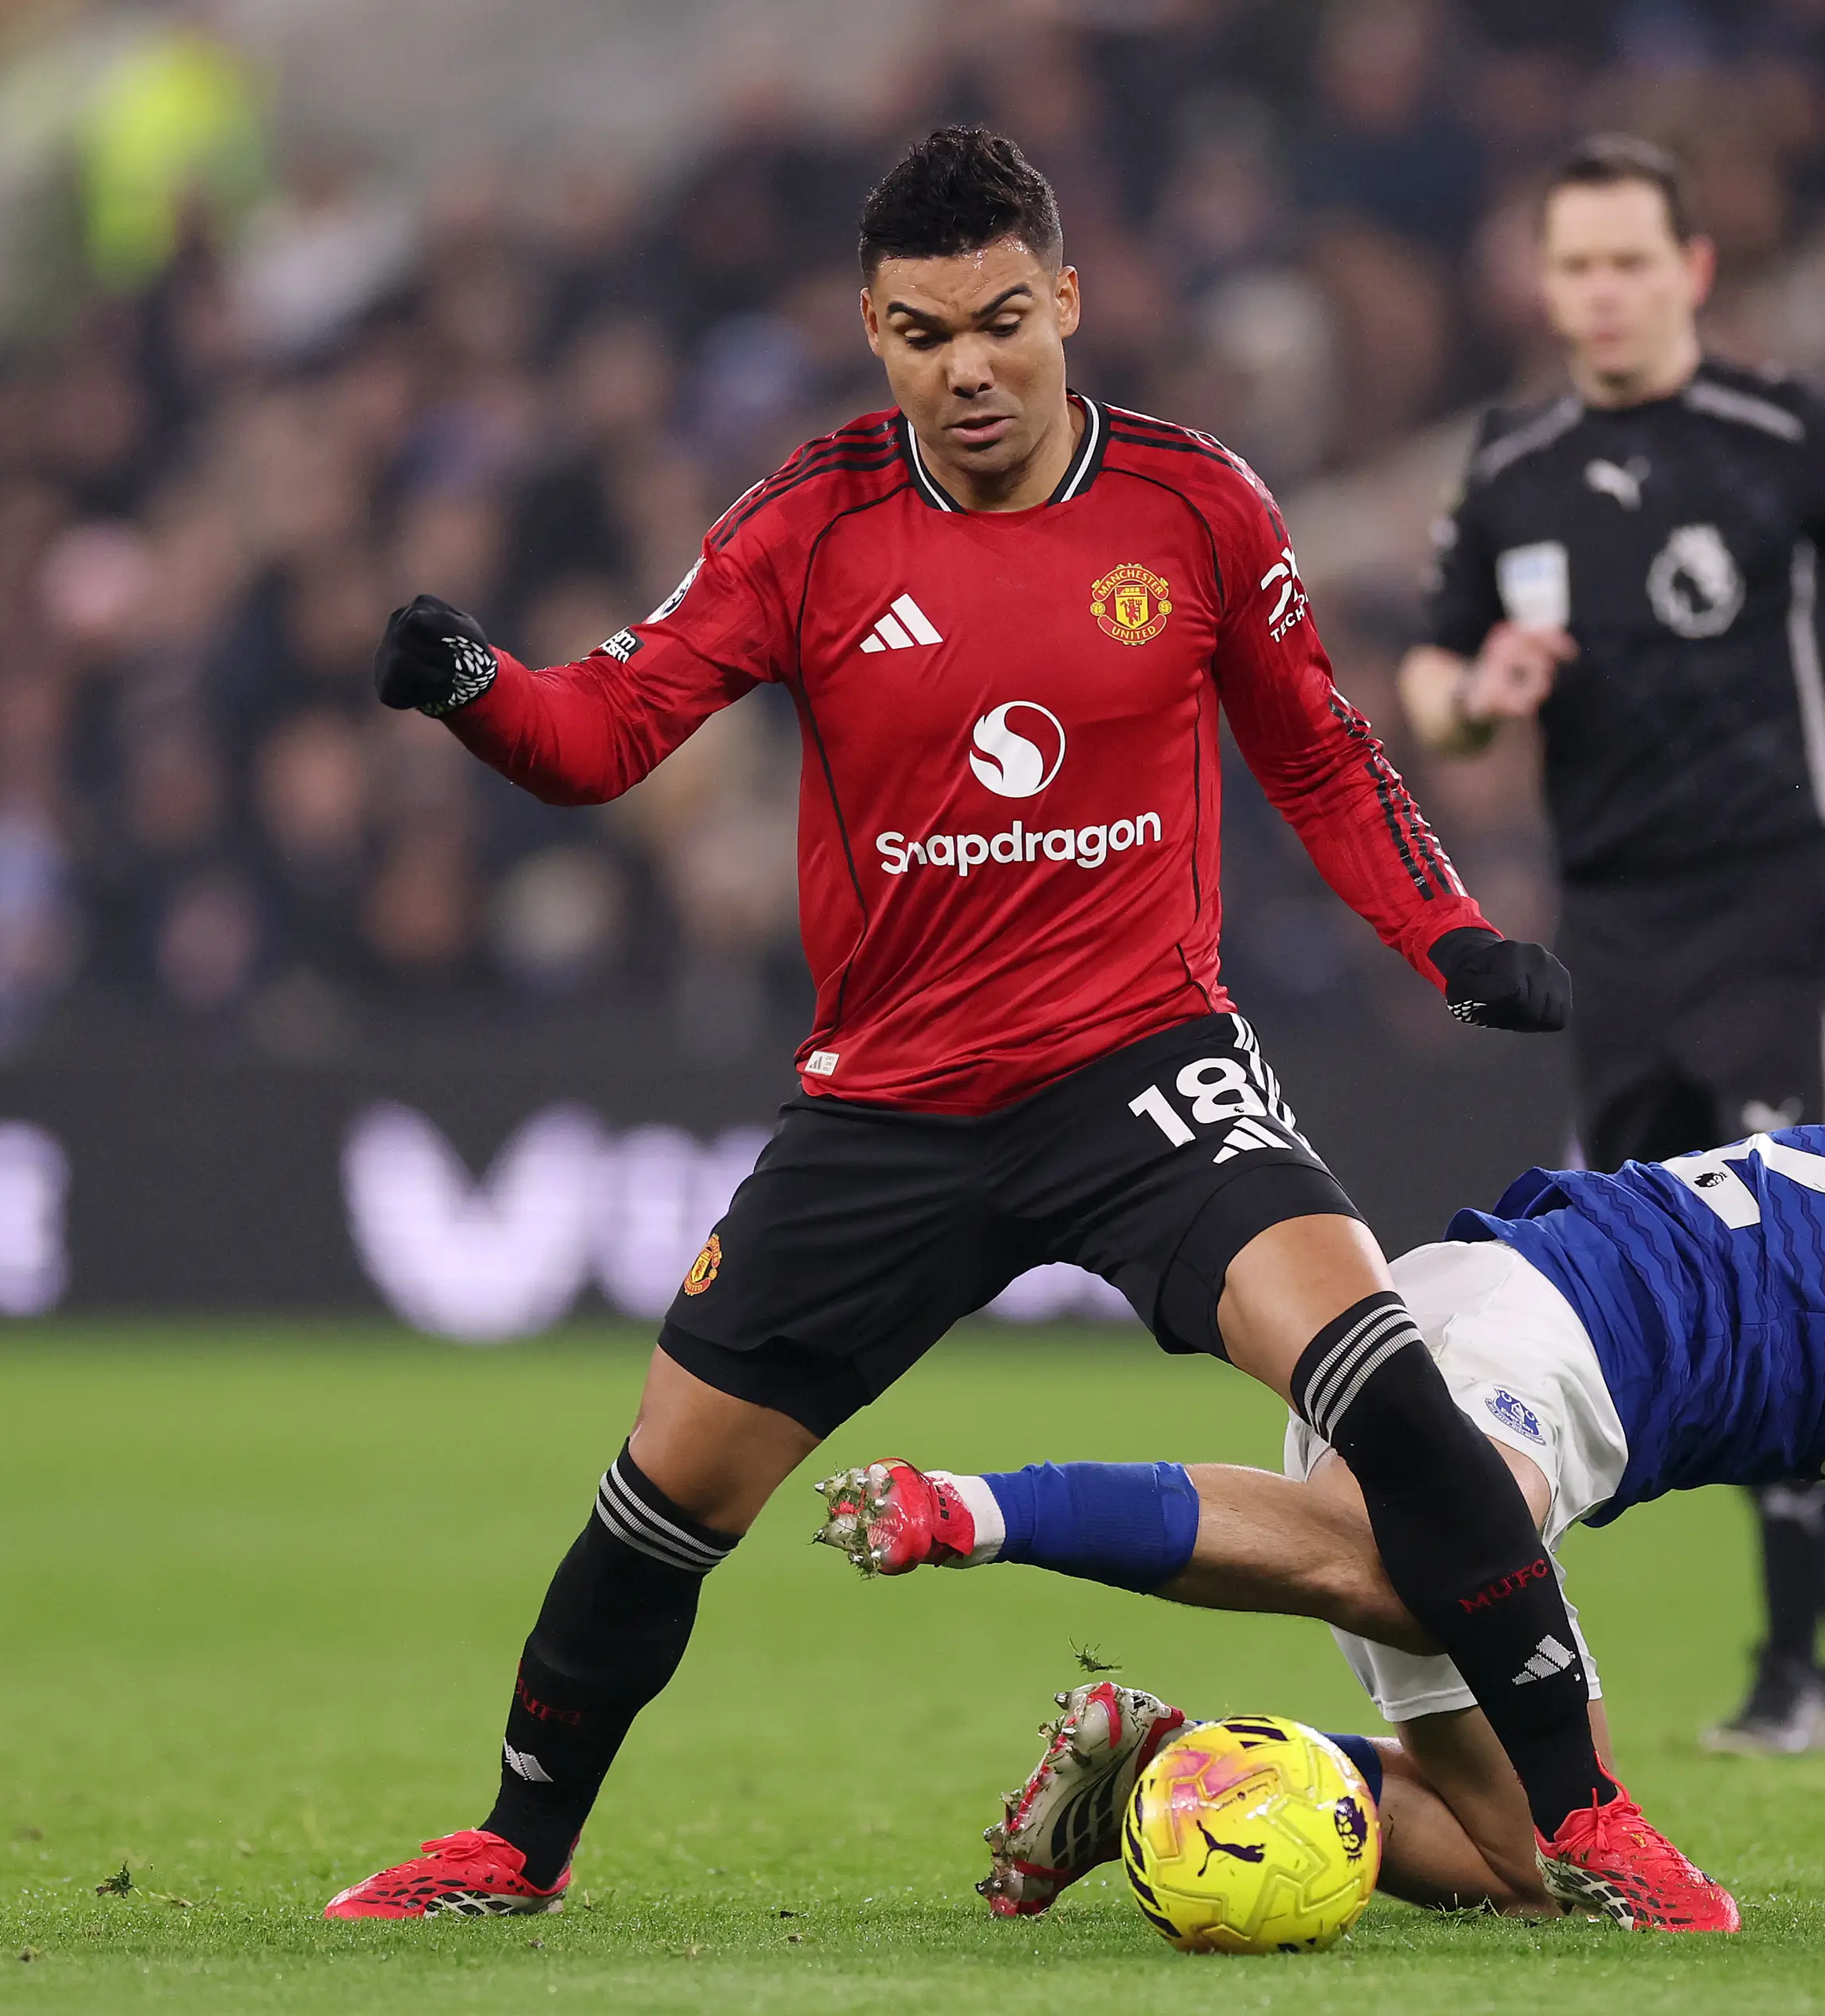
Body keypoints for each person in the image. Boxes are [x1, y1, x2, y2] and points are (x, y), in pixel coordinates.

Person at [321, 127, 1719, 1929]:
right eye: (918, 334)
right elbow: (603, 736)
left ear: (1064, 300)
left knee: (1387, 1385)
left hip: (1144, 1061)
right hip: (892, 1107)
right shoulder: (807, 522)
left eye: (998, 321)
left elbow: (1315, 744)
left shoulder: (1197, 504)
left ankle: (1592, 1819)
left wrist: (1444, 935)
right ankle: (509, 1848)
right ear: (872, 331)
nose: (964, 368)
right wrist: (473, 691)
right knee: (666, 1499)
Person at [816, 1104, 1825, 1925]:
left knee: (1520, 1863)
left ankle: (1165, 1763)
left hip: (1493, 1326)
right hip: (1530, 1347)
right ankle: (974, 1508)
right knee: (1397, 1564)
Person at [1392, 135, 1825, 1757]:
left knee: (1796, 1256)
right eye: (1575, 266)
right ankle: (1805, 1652)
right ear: (1543, 284)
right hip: (1611, 924)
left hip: (1775, 901)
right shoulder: (1514, 463)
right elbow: (1421, 684)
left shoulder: (1793, 434)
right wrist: (1482, 689)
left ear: (1692, 270)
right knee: (1656, 1277)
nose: (1602, 293)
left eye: (1631, 261)